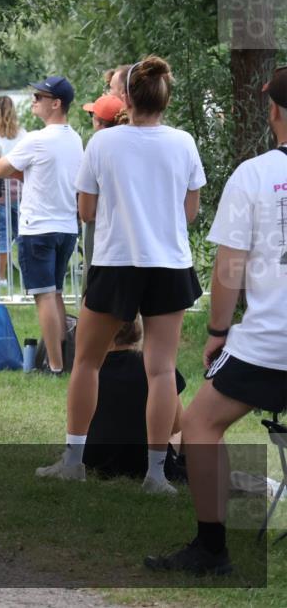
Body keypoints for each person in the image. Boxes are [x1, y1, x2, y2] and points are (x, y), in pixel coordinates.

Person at [37, 57, 206, 493]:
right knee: (162, 369)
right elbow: (190, 211)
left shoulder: (103, 145)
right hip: (168, 262)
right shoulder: (184, 142)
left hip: (116, 261)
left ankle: (74, 459)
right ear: (164, 97)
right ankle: (155, 473)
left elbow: (87, 211)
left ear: (126, 99)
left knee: (87, 362)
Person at [144, 65, 287, 575]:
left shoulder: (254, 175)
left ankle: (211, 549)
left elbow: (230, 268)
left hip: (271, 344)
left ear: (272, 111)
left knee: (202, 425)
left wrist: (218, 333)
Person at [0, 76, 82, 375]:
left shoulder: (36, 139)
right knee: (55, 293)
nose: (33, 101)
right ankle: (62, 360)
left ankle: (54, 365)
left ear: (56, 104)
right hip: (66, 226)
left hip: (38, 227)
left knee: (43, 296)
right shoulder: (75, 138)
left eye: (39, 97)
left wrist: (21, 170)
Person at [82, 318, 186, 479]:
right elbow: (176, 424)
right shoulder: (159, 369)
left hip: (95, 459)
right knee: (189, 427)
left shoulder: (88, 370)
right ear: (136, 328)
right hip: (145, 461)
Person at [79, 93, 125, 270]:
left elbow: (86, 212)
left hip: (103, 229)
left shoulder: (97, 146)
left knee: (91, 289)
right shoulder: (130, 147)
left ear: (97, 121)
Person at [0, 96, 27, 288]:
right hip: (21, 189)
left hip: (1, 191)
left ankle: (1, 276)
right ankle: (26, 271)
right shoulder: (24, 134)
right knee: (22, 233)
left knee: (2, 233)